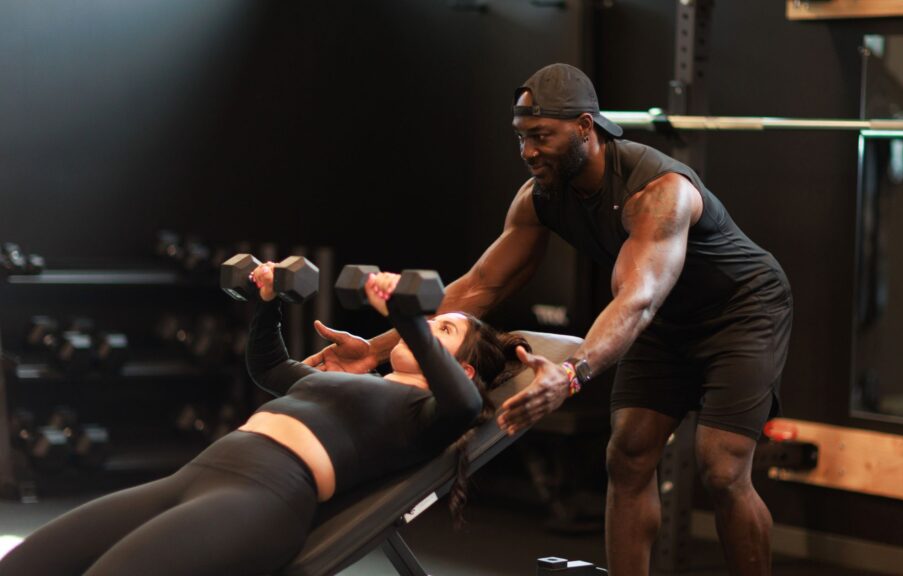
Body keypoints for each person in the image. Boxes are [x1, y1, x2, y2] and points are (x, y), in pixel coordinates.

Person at [303, 63, 793, 576]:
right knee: (627, 456)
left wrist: (571, 374)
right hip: (662, 320)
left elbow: (637, 300)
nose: (528, 151)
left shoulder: (657, 191)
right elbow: (479, 287)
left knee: (721, 467)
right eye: (521, 137)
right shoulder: (541, 196)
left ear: (585, 127)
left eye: (541, 136)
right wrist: (375, 351)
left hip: (740, 311)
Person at [0, 267, 529, 576]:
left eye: (445, 330)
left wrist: (407, 318)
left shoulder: (428, 414)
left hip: (260, 498)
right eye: (432, 320)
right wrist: (268, 302)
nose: (431, 328)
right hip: (194, 477)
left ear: (462, 368)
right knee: (26, 564)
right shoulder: (355, 380)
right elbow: (270, 366)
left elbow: (464, 406)